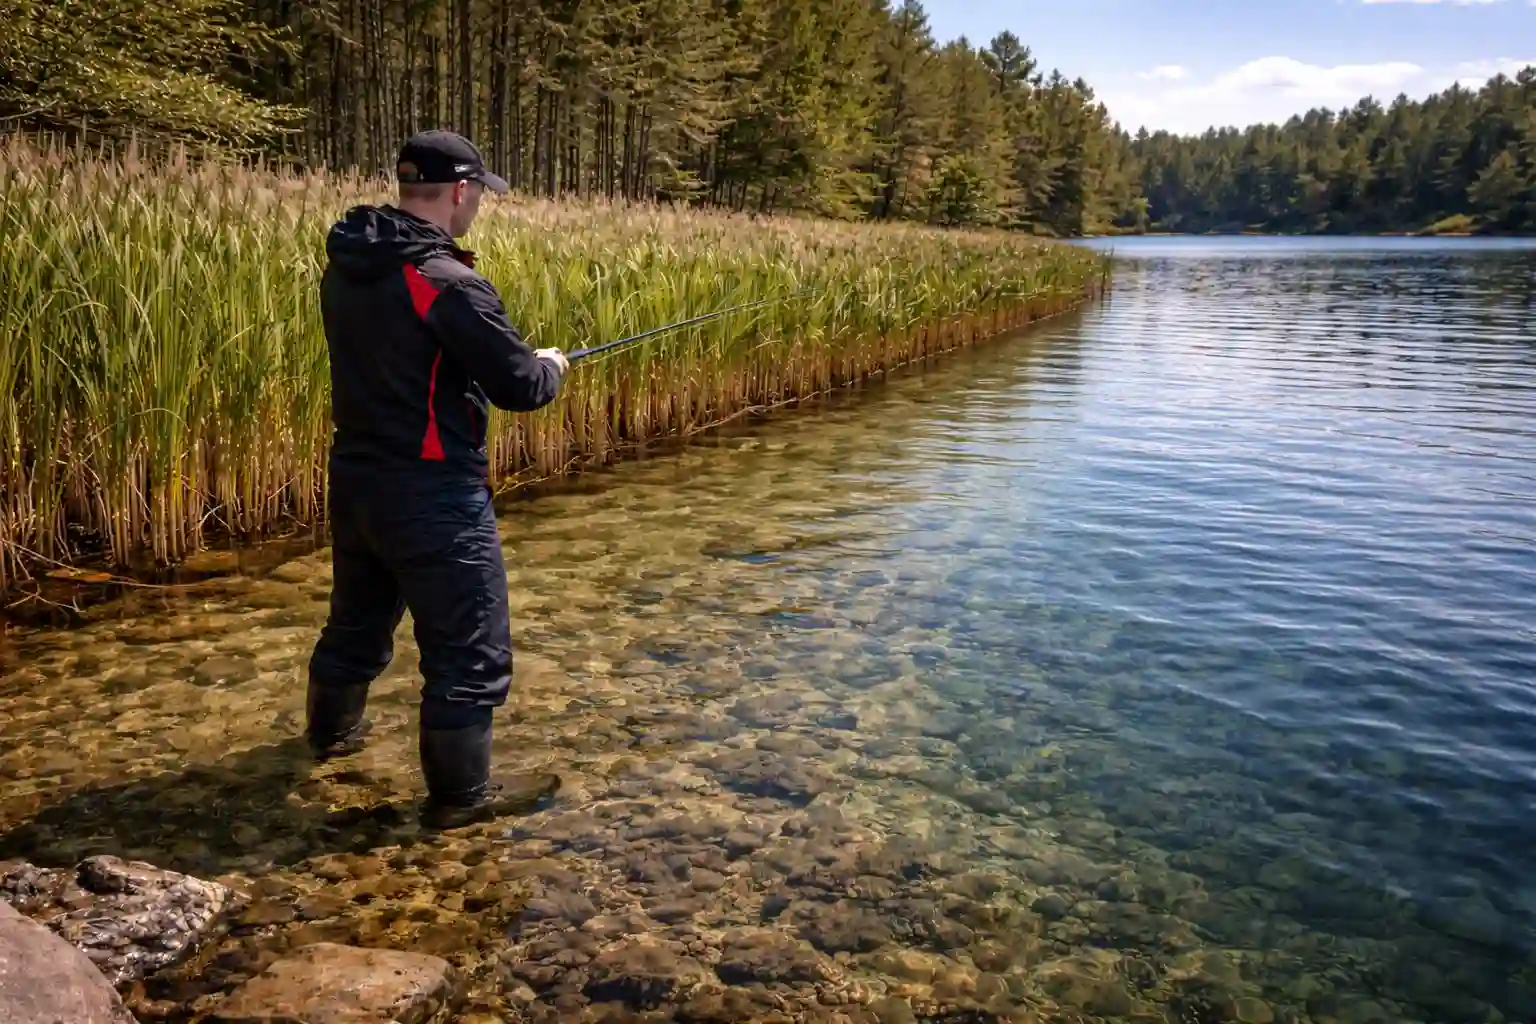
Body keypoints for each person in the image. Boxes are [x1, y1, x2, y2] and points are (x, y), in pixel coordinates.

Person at [304, 129, 569, 829]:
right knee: (469, 657)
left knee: (354, 627)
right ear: (460, 192)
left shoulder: (347, 264)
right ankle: (461, 805)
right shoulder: (445, 281)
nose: (478, 204)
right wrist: (552, 365)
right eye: (479, 192)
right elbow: (520, 385)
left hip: (358, 484)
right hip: (431, 496)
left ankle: (330, 743)